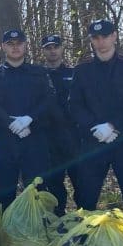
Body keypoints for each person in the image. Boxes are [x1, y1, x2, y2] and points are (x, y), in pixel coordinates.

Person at [70, 19, 123, 215]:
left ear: (114, 36)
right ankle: (85, 237)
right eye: (96, 38)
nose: (101, 41)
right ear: (91, 40)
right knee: (85, 195)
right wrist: (95, 128)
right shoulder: (82, 70)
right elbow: (75, 105)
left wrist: (113, 126)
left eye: (105, 36)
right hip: (93, 140)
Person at [0, 29, 56, 208]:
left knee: (37, 190)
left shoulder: (39, 73)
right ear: (3, 47)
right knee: (4, 191)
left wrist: (30, 119)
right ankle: (6, 232)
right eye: (10, 44)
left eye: (19, 43)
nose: (15, 48)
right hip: (5, 141)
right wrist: (11, 123)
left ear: (25, 45)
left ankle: (37, 230)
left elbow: (49, 99)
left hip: (34, 139)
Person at [40, 34, 81, 215]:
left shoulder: (74, 73)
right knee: (54, 184)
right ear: (43, 51)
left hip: (73, 137)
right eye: (48, 48)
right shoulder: (38, 75)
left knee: (81, 181)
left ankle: (84, 218)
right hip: (49, 139)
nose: (52, 51)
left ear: (62, 48)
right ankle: (58, 218)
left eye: (55, 47)